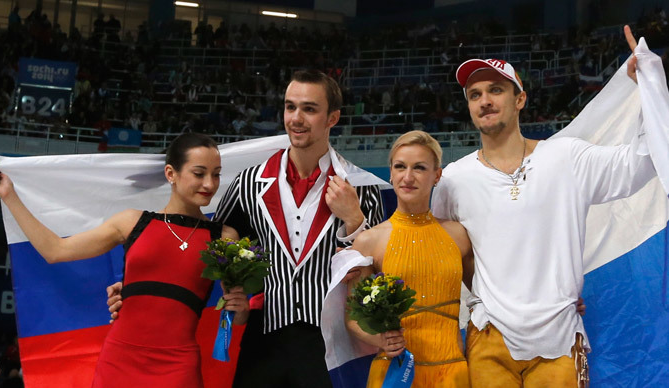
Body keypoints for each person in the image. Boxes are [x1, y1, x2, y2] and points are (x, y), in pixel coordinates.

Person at [107, 70, 385, 387]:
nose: (296, 118)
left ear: (332, 117)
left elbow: (376, 269)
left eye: (309, 109)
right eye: (290, 107)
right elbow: (206, 246)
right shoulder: (249, 183)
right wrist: (140, 286)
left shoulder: (360, 188)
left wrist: (354, 220)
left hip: (330, 347)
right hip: (263, 340)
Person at [431, 26, 665, 387]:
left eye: (496, 90)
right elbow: (446, 252)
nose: (485, 100)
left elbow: (642, 163)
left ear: (520, 99)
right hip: (489, 337)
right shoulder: (452, 180)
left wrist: (647, 86)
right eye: (475, 94)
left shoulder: (567, 157)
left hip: (558, 338)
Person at [0, 133, 250, 387]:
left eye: (216, 175)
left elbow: (234, 316)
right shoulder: (131, 221)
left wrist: (241, 308)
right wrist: (9, 196)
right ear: (171, 173)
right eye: (199, 173)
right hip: (120, 360)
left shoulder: (225, 238)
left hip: (178, 366)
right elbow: (56, 250)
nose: (209, 184)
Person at [345, 131, 473, 387]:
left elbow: (487, 297)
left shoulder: (458, 235)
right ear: (390, 173)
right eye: (400, 166)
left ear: (437, 176)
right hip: (394, 373)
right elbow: (352, 317)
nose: (408, 177)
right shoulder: (369, 241)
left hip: (451, 372)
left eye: (420, 168)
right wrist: (380, 340)